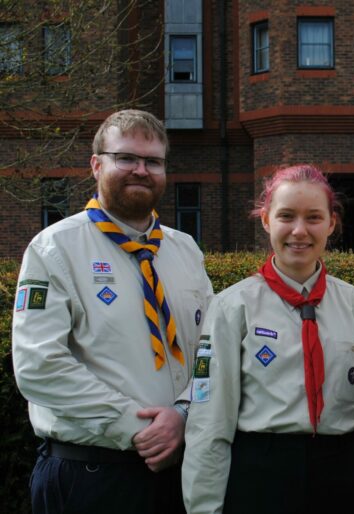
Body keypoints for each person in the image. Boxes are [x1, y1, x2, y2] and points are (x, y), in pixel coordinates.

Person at [12, 109, 213, 514]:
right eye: (126, 158)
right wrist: (140, 429)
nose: (141, 170)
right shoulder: (55, 249)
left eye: (153, 161)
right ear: (96, 164)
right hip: (91, 475)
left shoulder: (185, 250)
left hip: (181, 471)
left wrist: (185, 413)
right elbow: (39, 365)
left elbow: (212, 349)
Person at [182, 164, 354, 514]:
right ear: (266, 220)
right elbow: (211, 420)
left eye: (314, 218)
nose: (299, 231)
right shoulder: (233, 306)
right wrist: (204, 506)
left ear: (331, 223)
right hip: (262, 476)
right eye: (286, 216)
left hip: (343, 475)